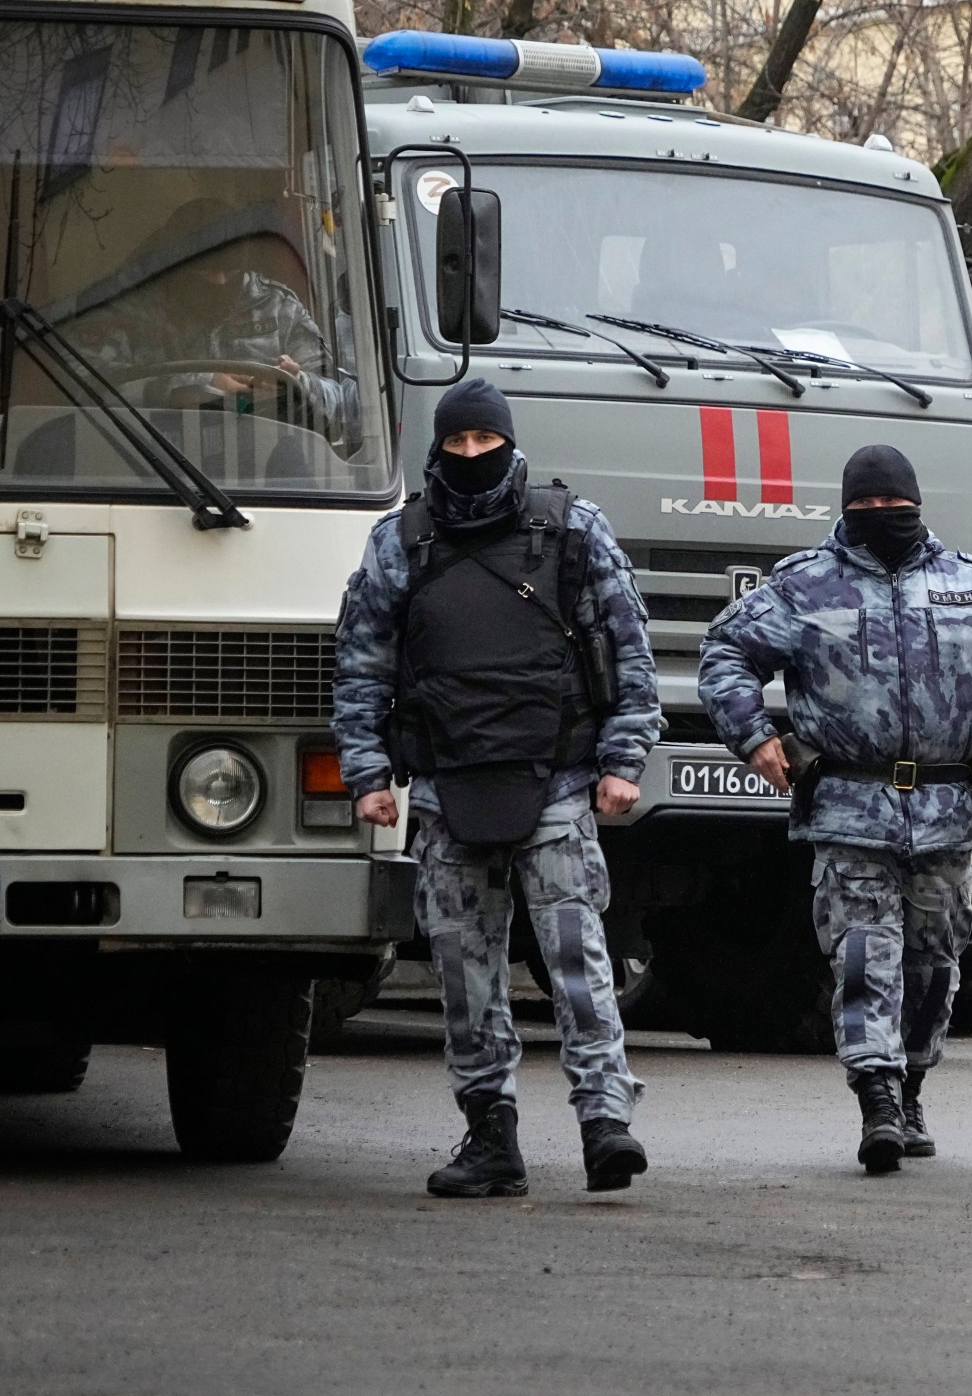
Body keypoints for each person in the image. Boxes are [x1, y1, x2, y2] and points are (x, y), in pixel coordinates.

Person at [331, 378, 662, 1198]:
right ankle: (489, 1135)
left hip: (556, 782)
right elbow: (362, 664)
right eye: (459, 443)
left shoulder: (573, 528)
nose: (473, 455)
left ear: (511, 445)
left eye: (486, 441)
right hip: (447, 789)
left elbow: (629, 652)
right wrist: (368, 774)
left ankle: (605, 1123)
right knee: (463, 970)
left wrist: (623, 763)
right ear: (438, 448)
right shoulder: (400, 541)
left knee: (577, 960)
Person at [697, 445, 972, 1174]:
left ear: (916, 504)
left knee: (933, 965)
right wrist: (754, 736)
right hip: (849, 806)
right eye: (864, 507)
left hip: (946, 809)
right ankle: (878, 1099)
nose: (880, 516)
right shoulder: (804, 585)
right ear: (846, 508)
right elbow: (726, 653)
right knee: (865, 956)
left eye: (892, 505)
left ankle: (912, 1083)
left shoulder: (971, 585)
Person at [75, 198, 351, 430]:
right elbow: (81, 384)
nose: (220, 282)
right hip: (155, 463)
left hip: (267, 462)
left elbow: (339, 399)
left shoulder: (278, 308)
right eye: (206, 273)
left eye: (231, 272)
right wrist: (184, 388)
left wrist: (295, 385)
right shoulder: (136, 312)